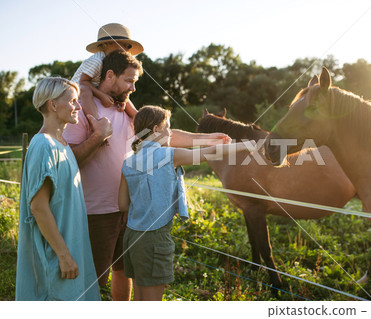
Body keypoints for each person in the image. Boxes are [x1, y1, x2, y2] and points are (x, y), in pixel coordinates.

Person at [63, 50, 231, 301]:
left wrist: (206, 138)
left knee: (124, 273)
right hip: (96, 211)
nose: (132, 88)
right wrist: (98, 136)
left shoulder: (128, 113)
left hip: (131, 211)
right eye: (129, 81)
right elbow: (68, 160)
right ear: (110, 75)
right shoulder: (81, 112)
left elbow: (164, 135)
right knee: (93, 279)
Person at [118, 105, 257, 301]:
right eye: (168, 127)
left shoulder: (128, 162)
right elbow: (211, 153)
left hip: (132, 236)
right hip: (154, 238)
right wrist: (248, 145)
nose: (170, 132)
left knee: (139, 296)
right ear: (156, 130)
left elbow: (123, 205)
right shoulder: (168, 155)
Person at [15, 77, 100, 301]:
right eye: (73, 101)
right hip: (54, 256)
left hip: (70, 247)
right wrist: (63, 256)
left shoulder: (62, 144)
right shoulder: (43, 145)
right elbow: (38, 208)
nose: (79, 107)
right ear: (53, 105)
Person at [71, 23, 144, 121]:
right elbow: (83, 82)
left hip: (93, 88)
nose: (127, 50)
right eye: (125, 45)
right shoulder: (96, 60)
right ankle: (95, 122)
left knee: (122, 90)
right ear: (108, 44)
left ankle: (138, 116)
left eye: (129, 46)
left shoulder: (110, 63)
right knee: (85, 90)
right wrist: (102, 96)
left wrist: (121, 100)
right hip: (76, 91)